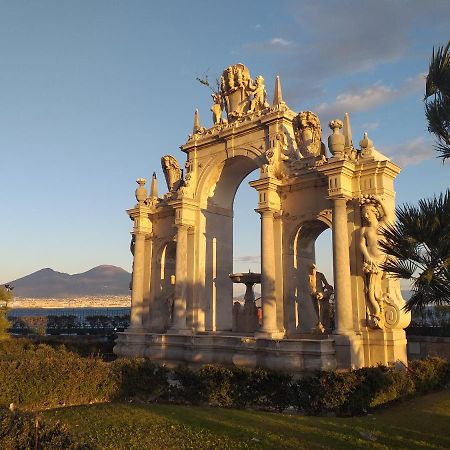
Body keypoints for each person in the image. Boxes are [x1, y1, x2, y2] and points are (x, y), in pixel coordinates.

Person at [308, 264, 334, 333]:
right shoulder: (309, 276)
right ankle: (319, 321)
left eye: (314, 269)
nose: (313, 270)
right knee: (316, 308)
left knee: (320, 308)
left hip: (320, 294)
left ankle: (320, 322)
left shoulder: (320, 275)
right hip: (313, 294)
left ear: (316, 269)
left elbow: (326, 284)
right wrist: (313, 293)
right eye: (311, 269)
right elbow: (309, 287)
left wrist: (326, 289)